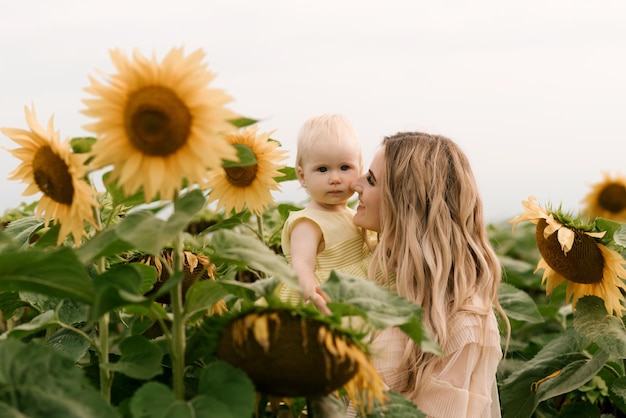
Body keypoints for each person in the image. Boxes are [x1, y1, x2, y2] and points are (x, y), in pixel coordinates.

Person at [349, 132, 509, 417]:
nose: (355, 184)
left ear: (405, 203)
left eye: (371, 180)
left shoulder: (463, 322)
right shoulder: (379, 278)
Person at [279, 113, 370, 314]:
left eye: (345, 167)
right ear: (302, 176)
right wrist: (312, 295)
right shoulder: (308, 222)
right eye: (322, 169)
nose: (335, 178)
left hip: (357, 294)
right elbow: (301, 264)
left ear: (360, 170)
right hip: (328, 300)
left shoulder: (353, 215)